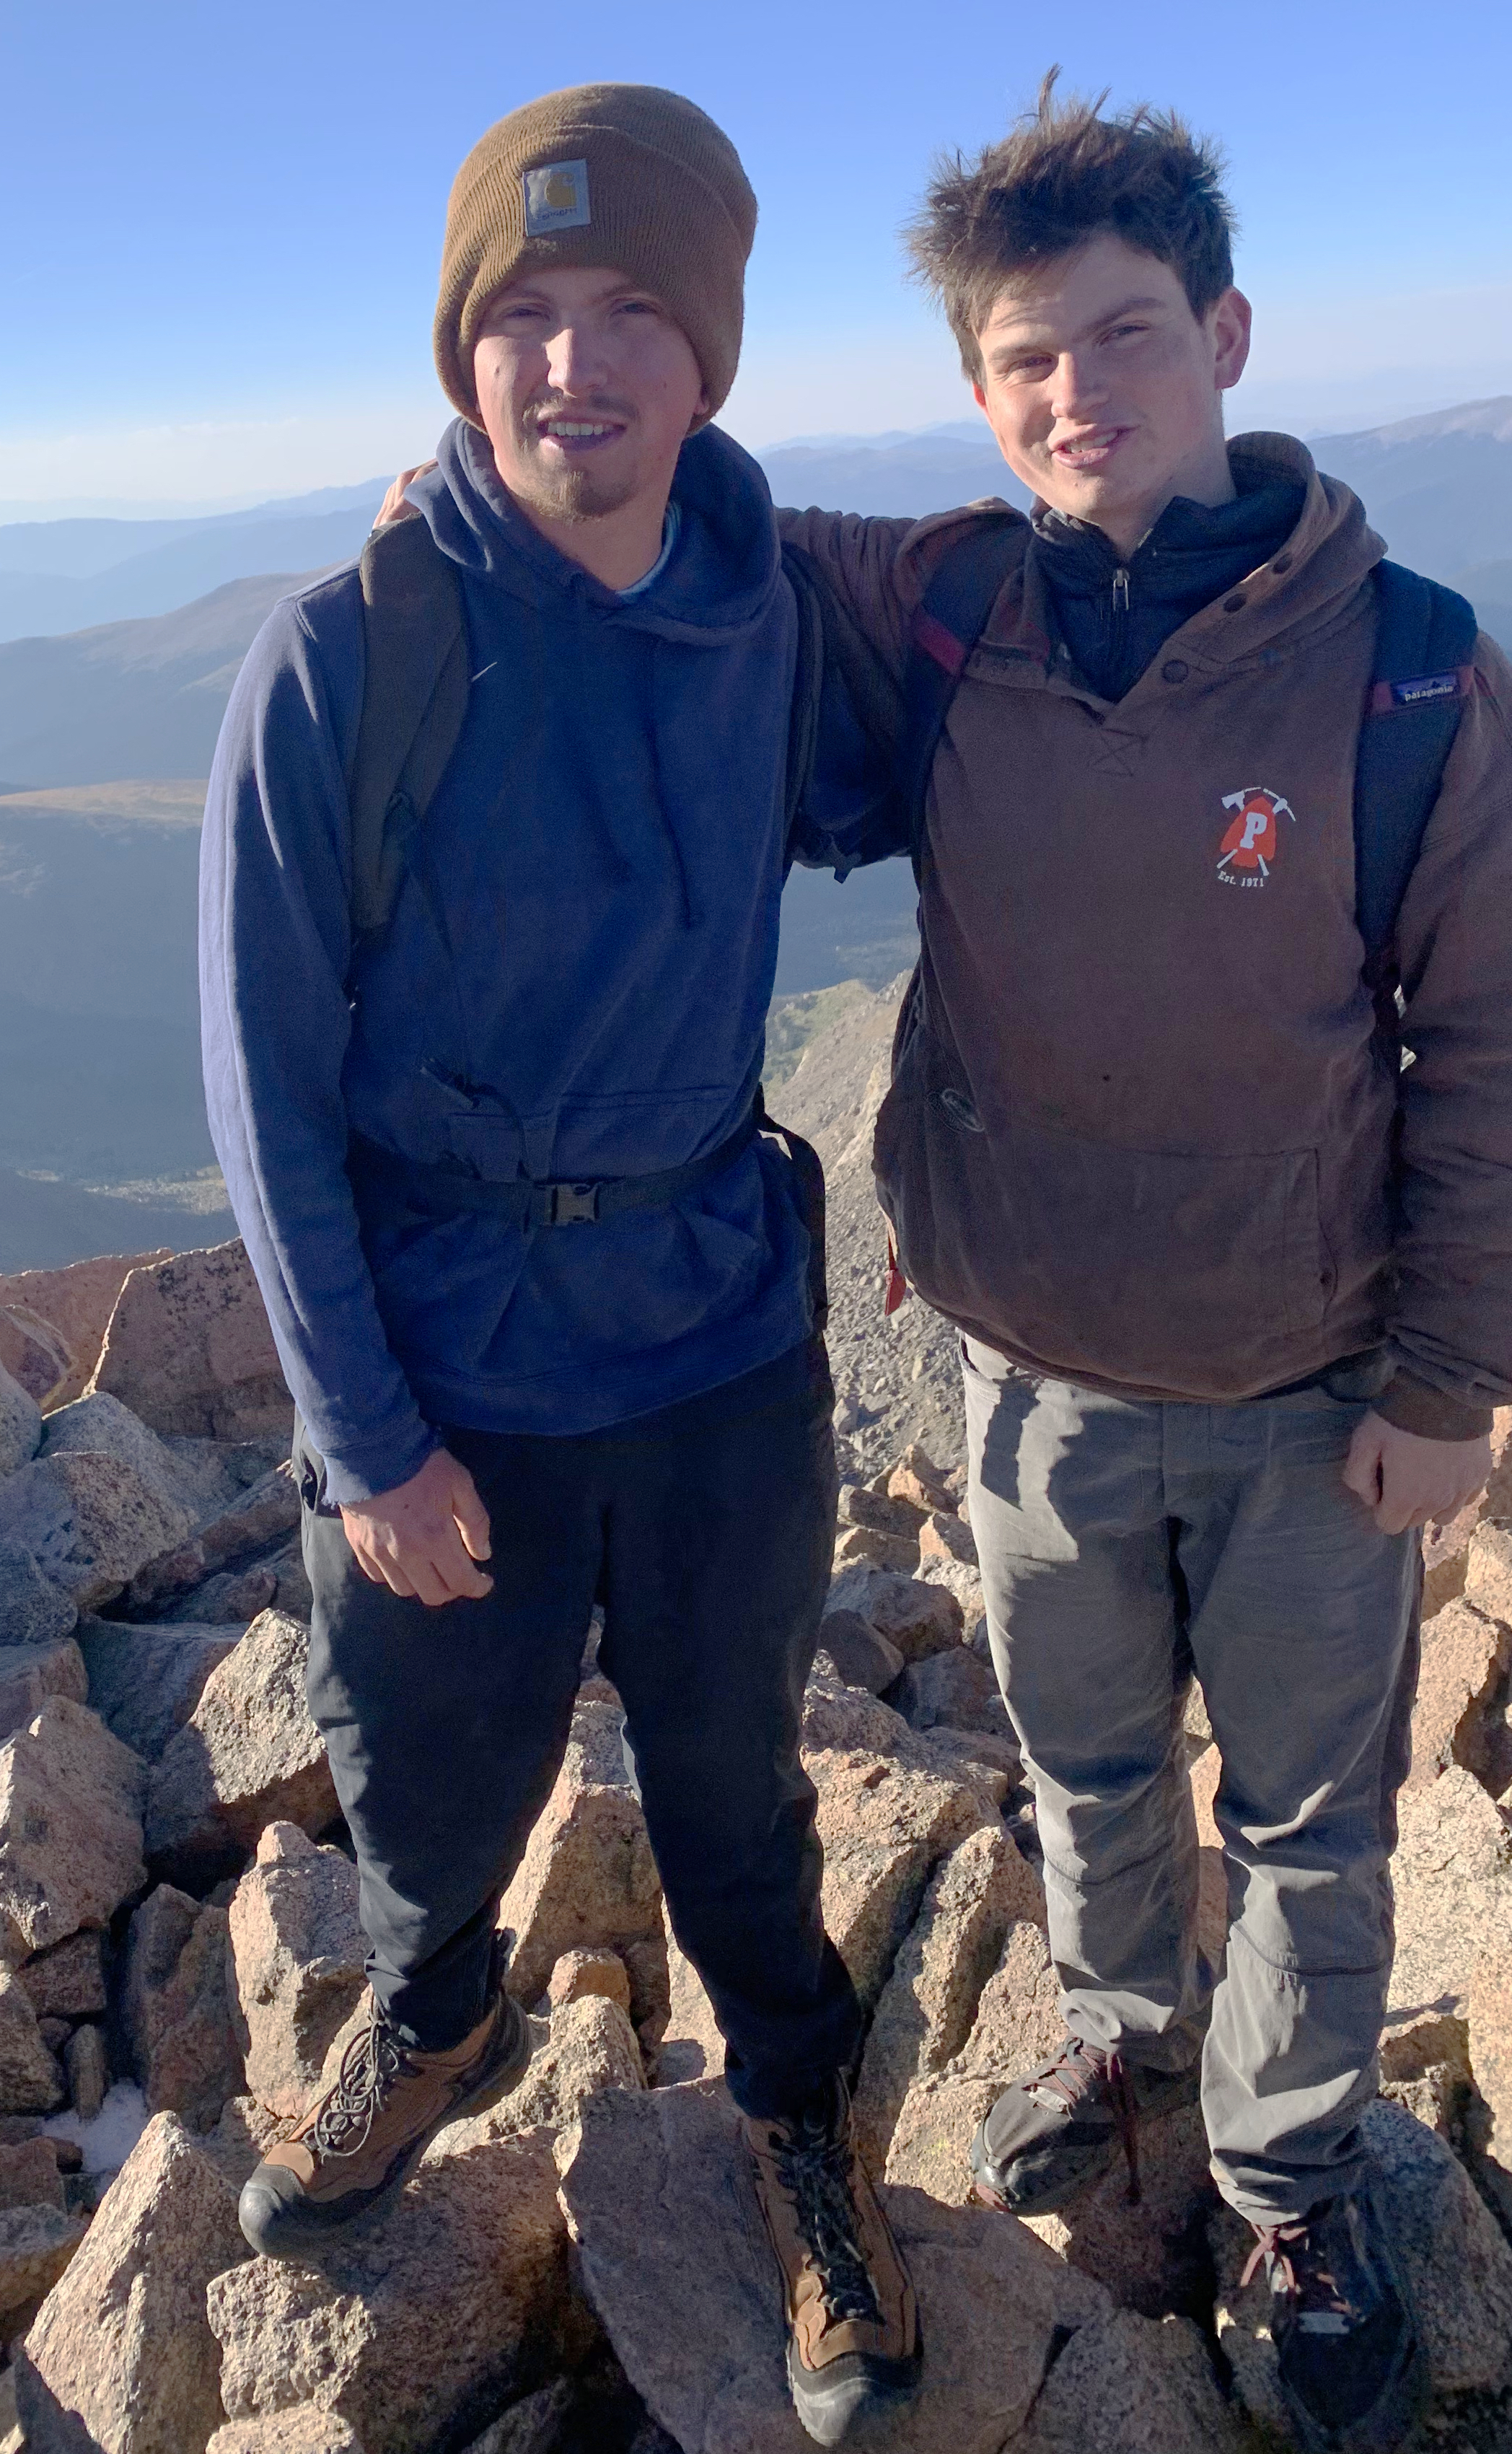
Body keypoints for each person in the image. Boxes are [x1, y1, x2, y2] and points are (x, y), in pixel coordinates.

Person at [772, 76, 1512, 2454]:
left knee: (1311, 1819)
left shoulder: (1406, 667)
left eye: (1123, 334)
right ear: (975, 393)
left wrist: (1450, 1379)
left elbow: (1511, 1048)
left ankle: (1292, 2174)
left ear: (1225, 335)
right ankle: (1126, 2043)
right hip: (1024, 1379)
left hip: (1312, 1388)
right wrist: (479, 492)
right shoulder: (937, 607)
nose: (1075, 391)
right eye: (1023, 358)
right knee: (1084, 1763)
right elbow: (690, 531)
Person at [199, 84, 920, 2450]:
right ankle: (434, 2012)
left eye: (633, 316)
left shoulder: (780, 618)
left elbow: (1014, 792)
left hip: (715, 1329)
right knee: (431, 1774)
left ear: (710, 355)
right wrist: (365, 1435)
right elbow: (263, 1082)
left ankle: (794, 2116)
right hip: (449, 1350)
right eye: (520, 312)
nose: (571, 365)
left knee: (733, 1775)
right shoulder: (354, 650)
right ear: (457, 346)